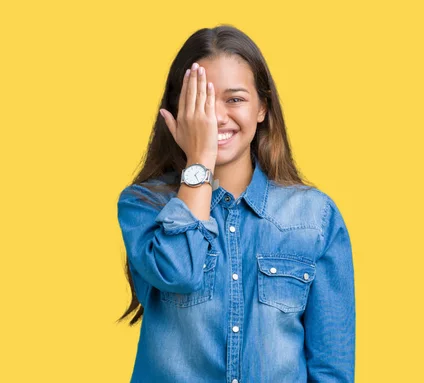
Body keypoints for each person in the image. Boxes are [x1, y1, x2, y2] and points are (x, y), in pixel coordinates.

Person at [115, 25, 355, 383]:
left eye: (235, 99)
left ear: (262, 108)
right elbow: (178, 272)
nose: (216, 117)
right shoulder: (144, 205)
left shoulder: (315, 218)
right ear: (177, 111)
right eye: (201, 101)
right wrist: (199, 163)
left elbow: (331, 369)